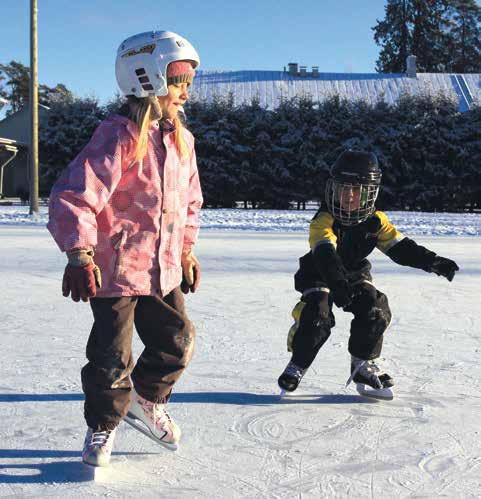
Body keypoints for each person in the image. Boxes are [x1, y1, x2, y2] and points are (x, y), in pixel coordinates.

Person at [47, 30, 203, 467]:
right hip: (115, 269)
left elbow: (190, 203)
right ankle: (102, 427)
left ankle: (146, 399)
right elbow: (75, 196)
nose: (186, 91)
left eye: (191, 79)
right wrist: (79, 253)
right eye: (177, 79)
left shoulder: (182, 141)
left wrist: (186, 251)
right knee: (112, 357)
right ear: (146, 79)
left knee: (178, 341)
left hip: (163, 269)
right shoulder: (118, 135)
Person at [278, 150, 459, 399]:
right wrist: (337, 285)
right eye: (343, 188)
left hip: (353, 273)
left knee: (376, 308)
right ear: (333, 189)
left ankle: (363, 365)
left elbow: (400, 248)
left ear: (369, 192)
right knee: (317, 315)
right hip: (319, 273)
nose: (349, 195)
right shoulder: (323, 219)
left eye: (357, 189)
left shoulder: (376, 221)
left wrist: (433, 262)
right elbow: (325, 254)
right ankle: (298, 363)